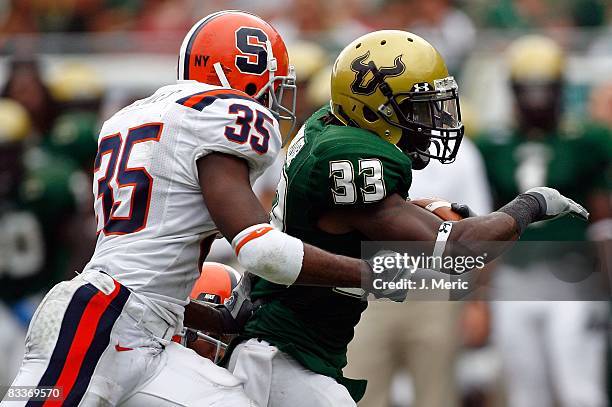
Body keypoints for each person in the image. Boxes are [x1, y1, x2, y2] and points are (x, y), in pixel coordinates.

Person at [3, 10, 394, 406]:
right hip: (95, 323)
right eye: (271, 86)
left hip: (148, 335)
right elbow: (260, 249)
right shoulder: (221, 118)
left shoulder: (138, 117)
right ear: (241, 76)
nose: (275, 99)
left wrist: (215, 316)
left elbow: (151, 265)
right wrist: (378, 272)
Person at [224, 30, 588, 407]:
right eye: (418, 107)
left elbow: (362, 217)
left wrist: (418, 208)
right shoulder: (350, 156)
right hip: (282, 355)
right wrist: (532, 204)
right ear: (372, 109)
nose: (433, 119)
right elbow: (459, 248)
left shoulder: (328, 127)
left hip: (297, 349)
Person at [477, 35, 611, 407]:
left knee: (579, 389)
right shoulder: (491, 144)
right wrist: (480, 294)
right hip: (513, 281)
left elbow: (602, 216)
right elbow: (483, 222)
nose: (536, 98)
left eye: (544, 88)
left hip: (574, 278)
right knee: (526, 394)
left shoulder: (587, 140)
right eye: (528, 88)